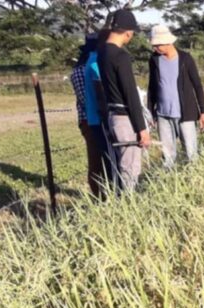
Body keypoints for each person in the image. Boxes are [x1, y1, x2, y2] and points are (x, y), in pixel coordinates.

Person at [98, 9, 150, 192]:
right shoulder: (121, 56)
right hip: (125, 117)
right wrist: (141, 128)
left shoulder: (102, 53)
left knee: (120, 165)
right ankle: (128, 207)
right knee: (131, 167)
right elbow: (130, 94)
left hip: (113, 116)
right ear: (128, 32)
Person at [147, 24, 204, 168]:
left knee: (191, 153)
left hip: (185, 114)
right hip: (162, 115)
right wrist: (151, 112)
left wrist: (203, 112)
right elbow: (152, 87)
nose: (155, 48)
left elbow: (197, 85)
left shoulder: (185, 59)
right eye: (153, 45)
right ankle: (169, 182)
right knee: (168, 157)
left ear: (169, 43)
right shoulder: (154, 60)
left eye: (158, 45)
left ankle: (195, 180)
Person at [70, 33, 110, 197]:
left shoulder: (95, 66)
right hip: (90, 120)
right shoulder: (80, 71)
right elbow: (87, 100)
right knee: (95, 160)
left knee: (106, 158)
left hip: (100, 118)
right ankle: (97, 195)